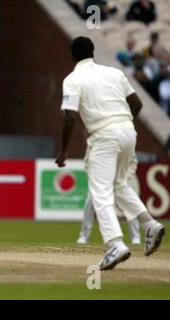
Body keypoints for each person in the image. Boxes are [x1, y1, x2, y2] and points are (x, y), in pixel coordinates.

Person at [56, 37, 165, 270]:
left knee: (100, 192)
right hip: (128, 131)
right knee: (120, 185)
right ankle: (150, 225)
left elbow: (69, 117)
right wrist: (121, 125)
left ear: (72, 55)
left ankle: (115, 244)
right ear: (92, 52)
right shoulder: (114, 72)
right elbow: (137, 103)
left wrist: (63, 151)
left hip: (104, 136)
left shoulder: (72, 79)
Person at [77, 155, 141, 245]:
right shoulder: (96, 141)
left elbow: (133, 162)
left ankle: (135, 237)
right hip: (101, 181)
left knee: (130, 204)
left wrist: (125, 178)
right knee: (90, 201)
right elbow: (88, 160)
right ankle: (83, 236)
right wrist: (93, 176)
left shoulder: (124, 141)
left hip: (121, 180)